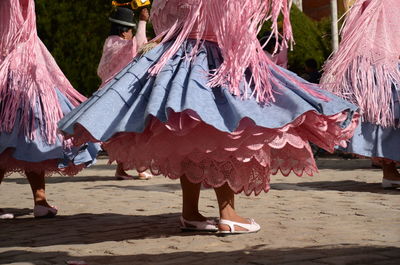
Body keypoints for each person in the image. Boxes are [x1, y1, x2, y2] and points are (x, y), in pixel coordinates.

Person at [59, 0, 359, 234]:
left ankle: (190, 213)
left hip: (175, 59)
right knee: (224, 136)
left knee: (192, 141)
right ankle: (228, 215)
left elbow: (166, 18)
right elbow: (232, 20)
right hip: (211, 60)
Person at [0, 0, 100, 219]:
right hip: (15, 59)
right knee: (18, 134)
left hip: (25, 59)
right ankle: (40, 201)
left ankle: (40, 200)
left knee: (29, 135)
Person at [321, 0, 400, 189]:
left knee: (387, 115)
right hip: (379, 60)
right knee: (385, 115)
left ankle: (390, 172)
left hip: (382, 60)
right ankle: (390, 171)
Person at [97, 6, 152, 180]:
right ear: (124, 32)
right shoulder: (121, 44)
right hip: (123, 94)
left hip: (110, 93)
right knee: (134, 130)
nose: (131, 35)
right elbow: (140, 44)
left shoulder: (110, 41)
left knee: (123, 133)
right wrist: (142, 21)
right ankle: (139, 169)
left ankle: (125, 169)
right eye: (130, 31)